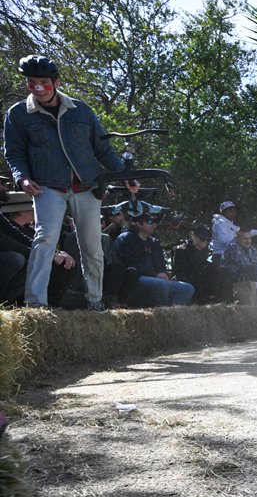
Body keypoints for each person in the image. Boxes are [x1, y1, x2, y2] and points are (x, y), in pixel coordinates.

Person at [3, 55, 133, 311]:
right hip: (47, 186)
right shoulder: (18, 114)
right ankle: (35, 303)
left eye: (43, 82)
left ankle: (94, 300)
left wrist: (123, 174)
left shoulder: (81, 110)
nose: (38, 88)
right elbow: (14, 153)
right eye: (31, 82)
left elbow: (103, 149)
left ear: (56, 82)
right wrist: (22, 177)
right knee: (45, 239)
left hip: (86, 186)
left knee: (93, 246)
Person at [113, 209, 195, 307]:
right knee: (161, 284)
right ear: (138, 224)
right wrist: (155, 275)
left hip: (154, 279)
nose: (154, 225)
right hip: (133, 280)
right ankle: (161, 312)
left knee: (187, 289)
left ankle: (171, 313)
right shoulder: (126, 238)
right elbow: (129, 264)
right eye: (150, 222)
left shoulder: (153, 242)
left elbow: (160, 263)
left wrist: (162, 272)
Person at [173, 224, 225, 304]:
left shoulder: (204, 251)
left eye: (208, 240)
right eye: (202, 239)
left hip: (200, 282)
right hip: (188, 282)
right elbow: (180, 273)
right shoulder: (181, 250)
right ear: (193, 236)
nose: (205, 242)